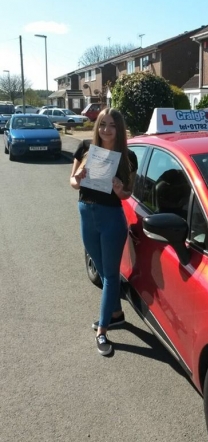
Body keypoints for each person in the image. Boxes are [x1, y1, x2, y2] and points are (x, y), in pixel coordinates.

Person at [70, 107, 137, 356]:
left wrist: (120, 190)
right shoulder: (86, 149)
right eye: (102, 124)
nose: (106, 130)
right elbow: (72, 182)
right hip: (86, 213)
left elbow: (128, 193)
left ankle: (103, 331)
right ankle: (117, 314)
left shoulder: (128, 156)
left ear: (119, 129)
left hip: (111, 218)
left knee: (110, 275)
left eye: (112, 125)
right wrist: (78, 177)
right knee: (100, 269)